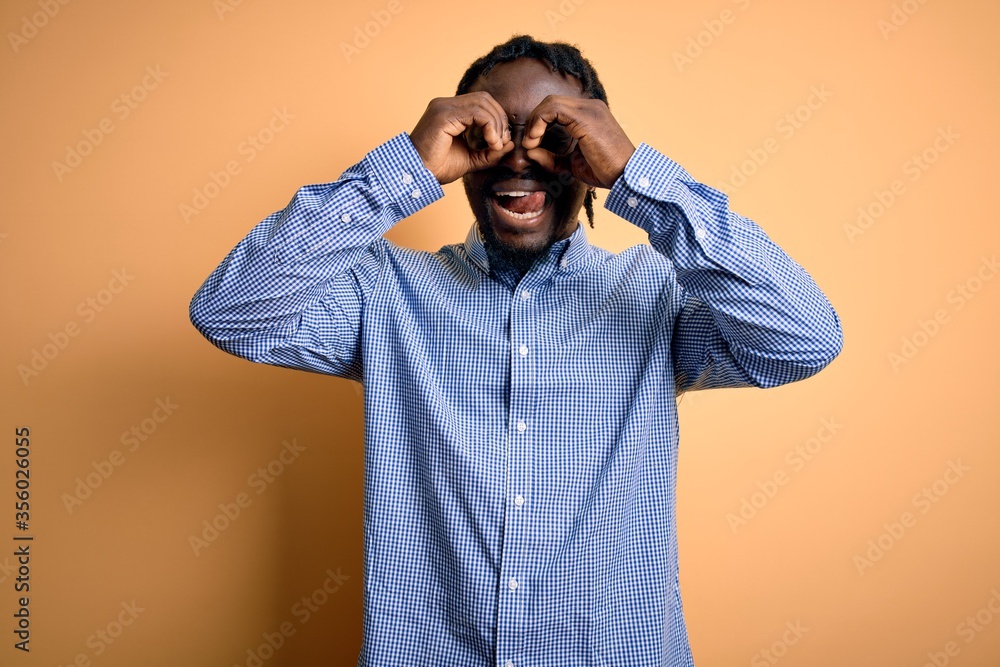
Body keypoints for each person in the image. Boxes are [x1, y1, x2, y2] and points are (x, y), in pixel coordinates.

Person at [190, 35, 842, 667]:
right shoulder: (384, 292)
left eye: (555, 137)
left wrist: (638, 177)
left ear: (594, 152)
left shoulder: (654, 295)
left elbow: (805, 336)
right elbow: (231, 310)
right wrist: (402, 170)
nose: (519, 159)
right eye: (491, 133)